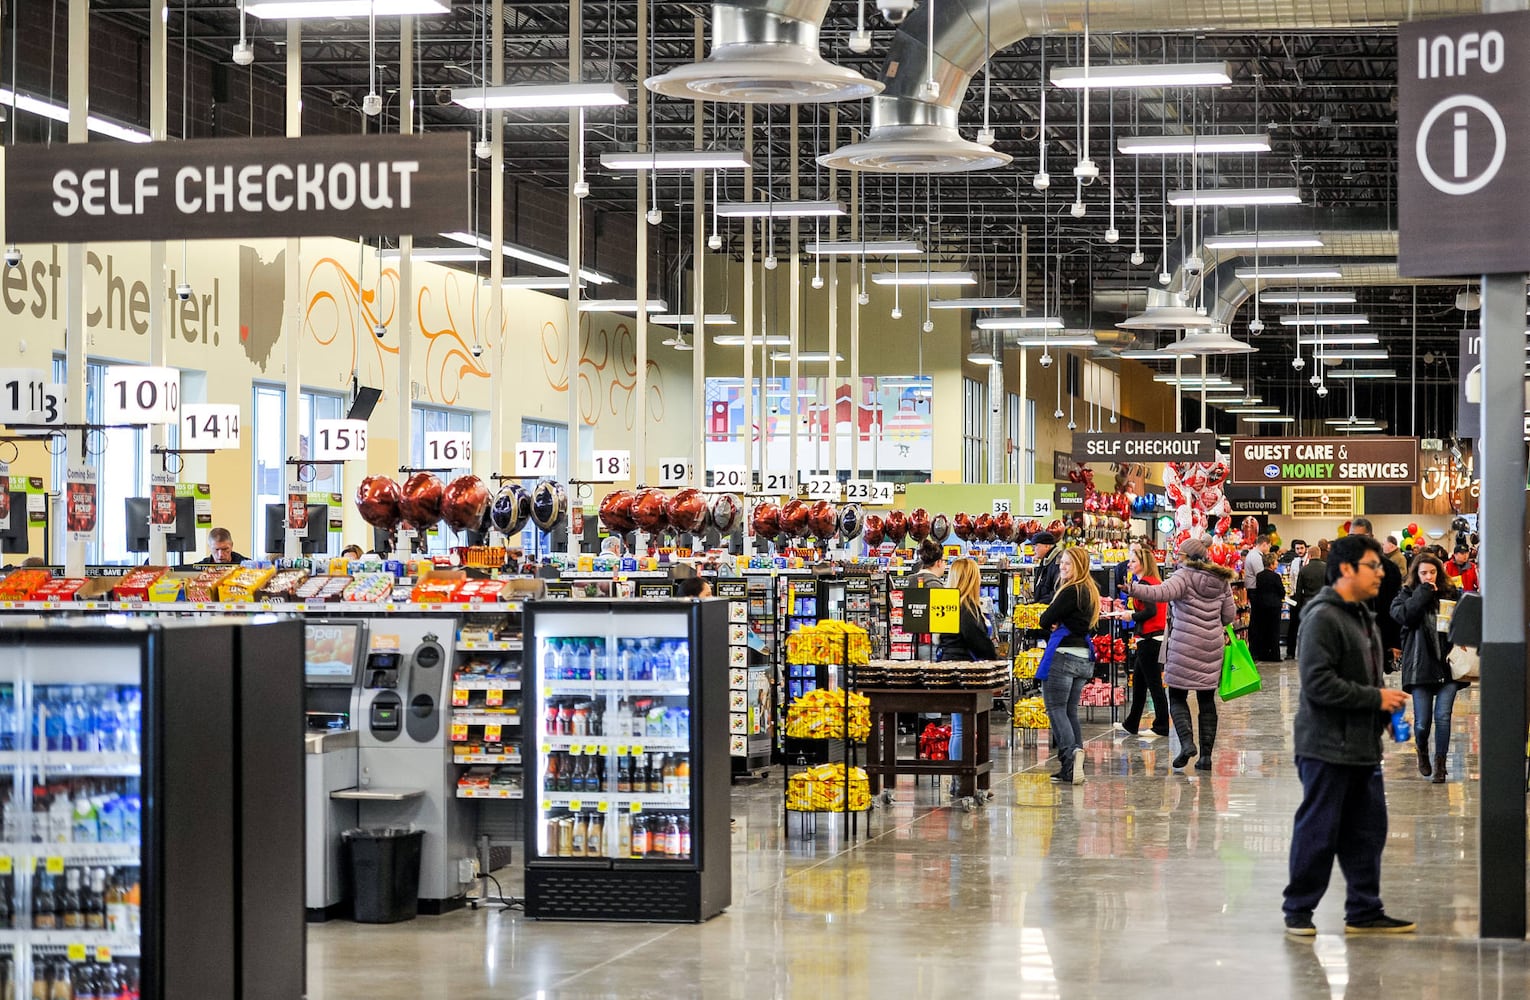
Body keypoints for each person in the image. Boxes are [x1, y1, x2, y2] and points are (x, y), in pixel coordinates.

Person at [1283, 534, 1415, 937]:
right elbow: (1319, 684)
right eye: (1372, 566)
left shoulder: (1363, 616)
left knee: (1368, 830)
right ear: (1346, 569)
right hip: (1325, 746)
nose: (1381, 573)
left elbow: (1369, 678)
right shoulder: (1322, 617)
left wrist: (1385, 712)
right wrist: (1376, 699)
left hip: (1361, 745)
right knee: (1320, 830)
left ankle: (1364, 909)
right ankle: (1298, 911)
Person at [1126, 536, 1236, 771]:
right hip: (1211, 645)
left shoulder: (1183, 576)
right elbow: (1228, 617)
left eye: (1180, 555)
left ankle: (1187, 744)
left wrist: (1134, 589)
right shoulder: (1221, 580)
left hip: (1183, 644)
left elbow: (1162, 593)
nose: (1177, 559)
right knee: (1207, 700)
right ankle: (1205, 757)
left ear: (1188, 558)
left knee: (1177, 696)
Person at [1390, 552, 1463, 784]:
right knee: (1422, 723)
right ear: (1416, 574)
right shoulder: (1406, 595)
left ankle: (1441, 764)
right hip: (1420, 666)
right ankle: (1422, 750)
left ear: (1439, 572)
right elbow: (1405, 617)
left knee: (1443, 716)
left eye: (1432, 572)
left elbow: (1465, 620)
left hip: (1448, 665)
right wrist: (1422, 593)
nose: (1429, 576)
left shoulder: (1451, 593)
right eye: (1423, 573)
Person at [1038, 546, 1100, 784]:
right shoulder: (1090, 591)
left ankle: (1070, 757)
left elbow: (1045, 619)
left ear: (1079, 567)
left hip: (1062, 655)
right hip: (1083, 656)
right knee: (1070, 711)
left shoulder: (1070, 590)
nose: (1062, 567)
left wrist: (1053, 622)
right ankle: (1073, 765)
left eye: (1068, 564)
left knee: (1055, 709)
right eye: (1061, 562)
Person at [1118, 543, 1169, 738]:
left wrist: (1131, 616)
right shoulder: (1155, 581)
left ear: (1143, 563)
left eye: (1133, 561)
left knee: (1154, 684)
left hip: (1149, 638)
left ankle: (1161, 725)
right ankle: (1131, 723)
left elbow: (1150, 611)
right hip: (1151, 638)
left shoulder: (1145, 585)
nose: (1129, 564)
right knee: (1139, 683)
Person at [1347, 518, 1402, 661]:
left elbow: (1394, 606)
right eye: (1352, 537)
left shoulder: (1389, 569)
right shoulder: (1340, 566)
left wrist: (1394, 642)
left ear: (1371, 537)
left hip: (1379, 637)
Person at [937, 558, 998, 662]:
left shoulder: (947, 604)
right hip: (965, 667)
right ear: (972, 580)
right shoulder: (967, 608)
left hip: (946, 662)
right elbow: (978, 642)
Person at [1290, 539, 1329, 661]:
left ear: (1310, 555)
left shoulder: (1304, 570)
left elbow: (1298, 589)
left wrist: (1298, 605)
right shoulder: (1327, 568)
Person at [1250, 559, 1286, 662]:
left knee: (1263, 629)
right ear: (1271, 564)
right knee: (1274, 630)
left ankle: (1263, 654)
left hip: (1261, 605)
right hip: (1274, 606)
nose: (1276, 565)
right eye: (1275, 563)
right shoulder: (1275, 576)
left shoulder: (1259, 575)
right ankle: (1275, 655)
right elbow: (1281, 590)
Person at [1031, 532, 1061, 605]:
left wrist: (1039, 603)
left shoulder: (1058, 563)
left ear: (1047, 546)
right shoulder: (1046, 561)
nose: (1033, 550)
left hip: (1050, 608)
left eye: (1036, 546)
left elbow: (1057, 591)